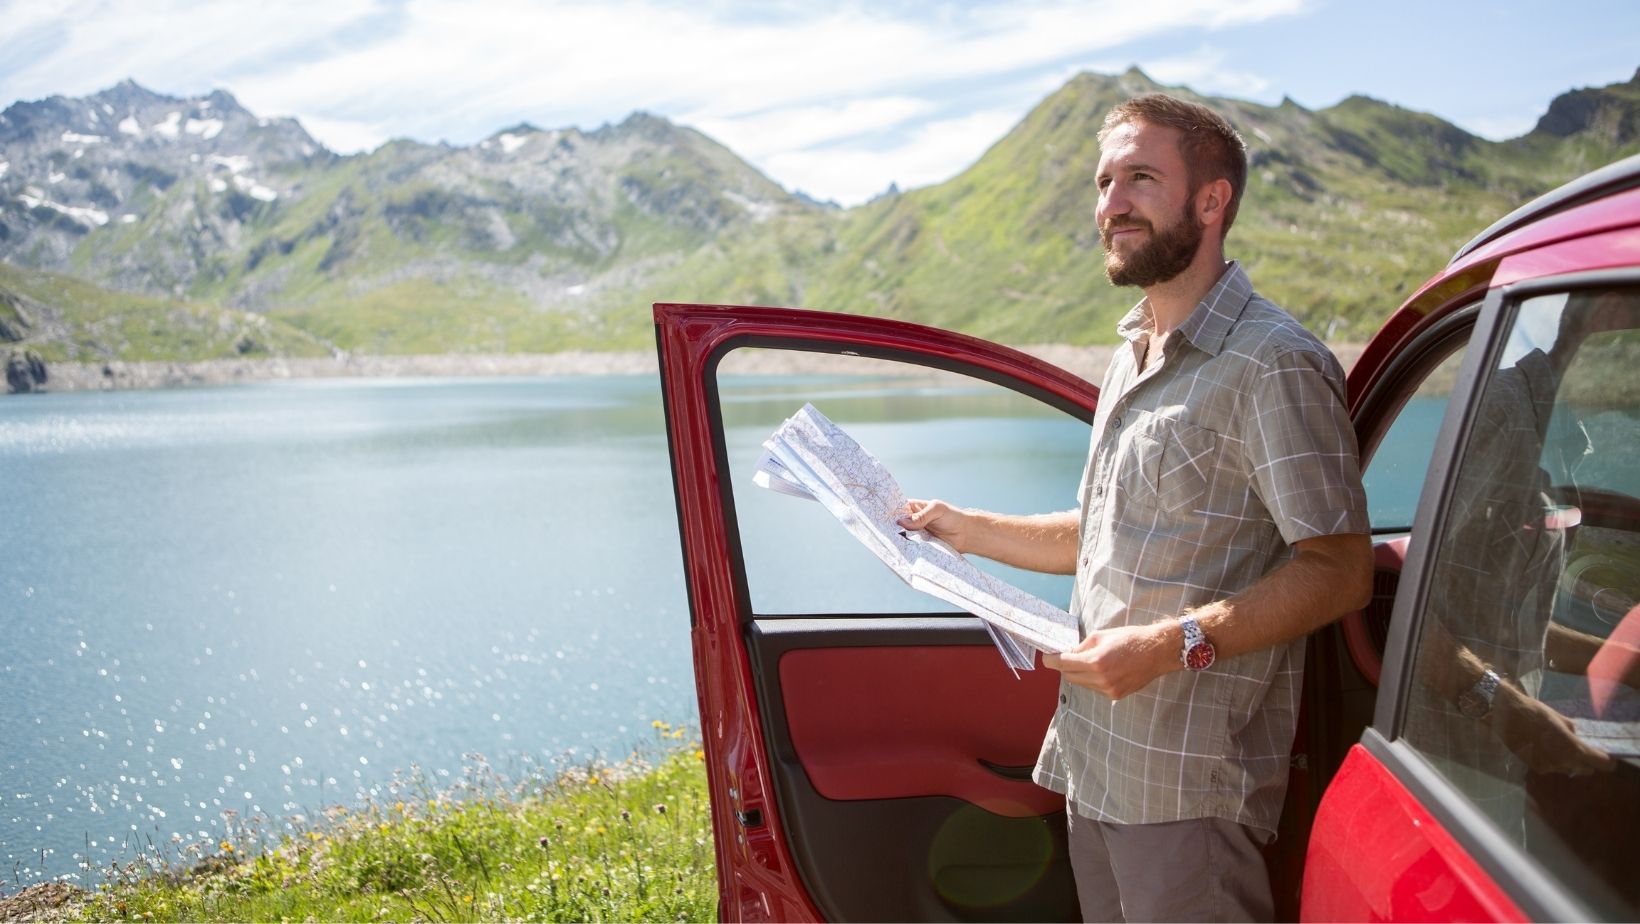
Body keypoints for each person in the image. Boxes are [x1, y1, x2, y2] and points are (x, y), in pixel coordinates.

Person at [897, 94, 1373, 922]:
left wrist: (1166, 645)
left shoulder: (1273, 363)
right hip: (1095, 763)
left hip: (1187, 791)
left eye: (1140, 179)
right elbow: (1104, 530)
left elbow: (1339, 573)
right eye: (1104, 181)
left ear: (1211, 201)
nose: (1111, 204)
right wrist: (962, 529)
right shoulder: (1134, 352)